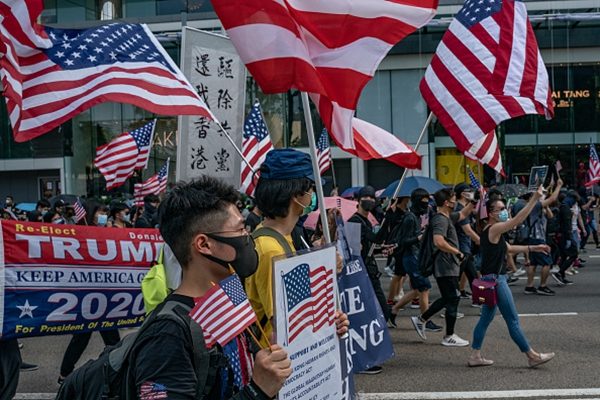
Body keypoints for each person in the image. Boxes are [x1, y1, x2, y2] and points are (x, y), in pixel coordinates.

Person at [130, 175, 295, 399]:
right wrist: (257, 391)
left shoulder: (229, 297)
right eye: (240, 230)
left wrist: (323, 332)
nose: (249, 238)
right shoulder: (168, 333)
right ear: (204, 244)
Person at [469, 186, 555, 368]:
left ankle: (475, 356)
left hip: (488, 280)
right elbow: (517, 220)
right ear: (491, 214)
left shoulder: (490, 230)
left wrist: (533, 248)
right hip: (496, 281)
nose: (504, 212)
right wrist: (535, 199)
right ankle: (532, 356)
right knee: (513, 320)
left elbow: (508, 249)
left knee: (485, 319)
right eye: (500, 209)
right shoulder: (495, 228)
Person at [58, 203, 121, 384]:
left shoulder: (108, 232)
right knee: (81, 338)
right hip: (86, 297)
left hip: (105, 295)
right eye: (101, 212)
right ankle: (64, 373)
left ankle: (117, 369)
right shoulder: (80, 232)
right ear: (92, 214)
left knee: (112, 338)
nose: (104, 215)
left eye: (106, 213)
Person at [409, 188, 475, 347]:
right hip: (445, 265)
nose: (456, 202)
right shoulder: (440, 220)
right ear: (446, 202)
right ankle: (448, 335)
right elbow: (438, 241)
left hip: (449, 265)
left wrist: (475, 200)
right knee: (452, 297)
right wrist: (457, 252)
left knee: (451, 297)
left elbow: (463, 214)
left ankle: (422, 320)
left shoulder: (446, 216)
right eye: (453, 199)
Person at [389, 189, 442, 333]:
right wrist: (419, 237)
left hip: (415, 256)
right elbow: (403, 241)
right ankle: (425, 319)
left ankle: (393, 310)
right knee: (424, 288)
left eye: (427, 201)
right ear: (417, 201)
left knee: (418, 289)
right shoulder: (410, 218)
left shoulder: (416, 216)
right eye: (423, 201)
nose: (426, 205)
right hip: (411, 257)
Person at [348, 186, 391, 328]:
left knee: (378, 309)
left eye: (372, 198)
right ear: (358, 200)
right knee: (380, 309)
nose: (369, 200)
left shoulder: (366, 221)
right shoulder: (354, 221)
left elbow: (371, 243)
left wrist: (379, 250)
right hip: (362, 273)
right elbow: (354, 253)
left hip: (370, 270)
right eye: (366, 198)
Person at [523, 179, 563, 296]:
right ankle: (543, 286)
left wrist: (546, 206)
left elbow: (550, 216)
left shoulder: (535, 207)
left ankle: (529, 286)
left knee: (533, 263)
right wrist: (558, 186)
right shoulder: (535, 205)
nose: (543, 195)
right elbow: (552, 199)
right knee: (547, 263)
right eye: (542, 193)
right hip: (537, 238)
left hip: (533, 237)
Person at [453, 183, 480, 299]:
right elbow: (467, 230)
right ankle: (449, 306)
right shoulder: (459, 209)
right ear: (463, 194)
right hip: (461, 249)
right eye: (470, 191)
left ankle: (479, 301)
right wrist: (481, 241)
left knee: (474, 277)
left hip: (465, 248)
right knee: (455, 279)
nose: (472, 193)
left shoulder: (464, 208)